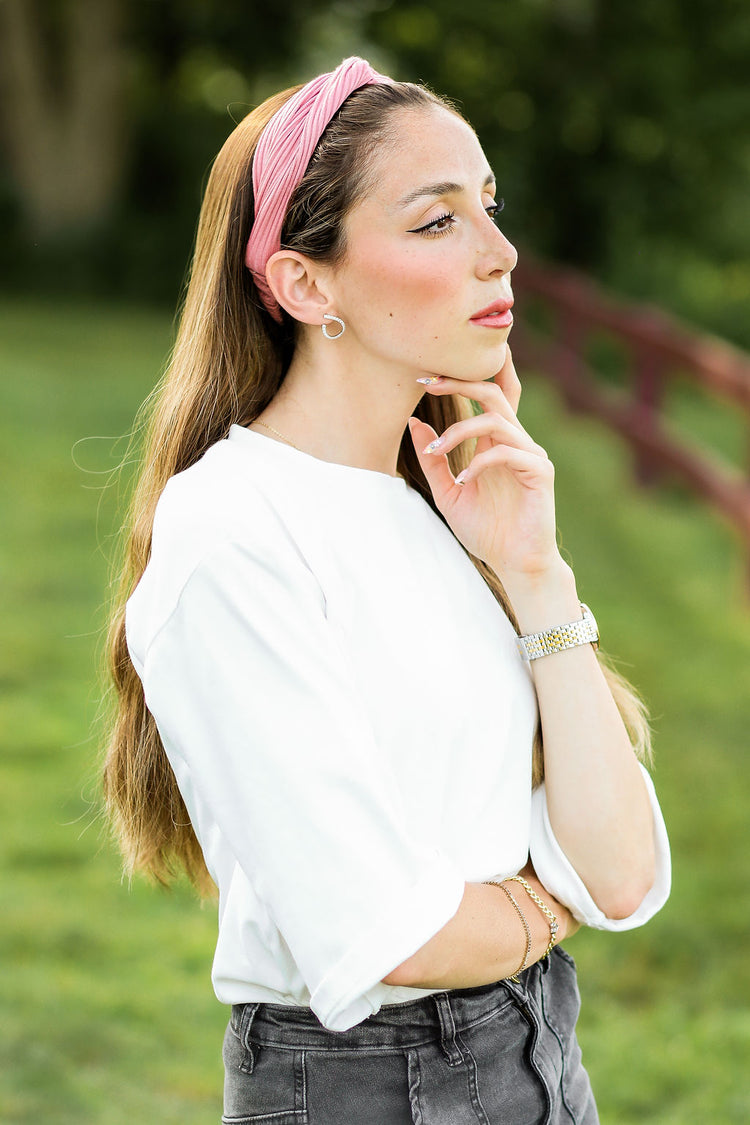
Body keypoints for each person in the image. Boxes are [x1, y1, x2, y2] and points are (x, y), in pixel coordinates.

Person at [103, 57, 671, 1124]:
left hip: (541, 1056)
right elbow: (390, 935)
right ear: (307, 284)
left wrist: (537, 577)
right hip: (368, 1088)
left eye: (490, 210)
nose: (501, 256)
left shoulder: (454, 509)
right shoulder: (235, 528)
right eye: (437, 223)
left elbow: (626, 872)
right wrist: (555, 901)